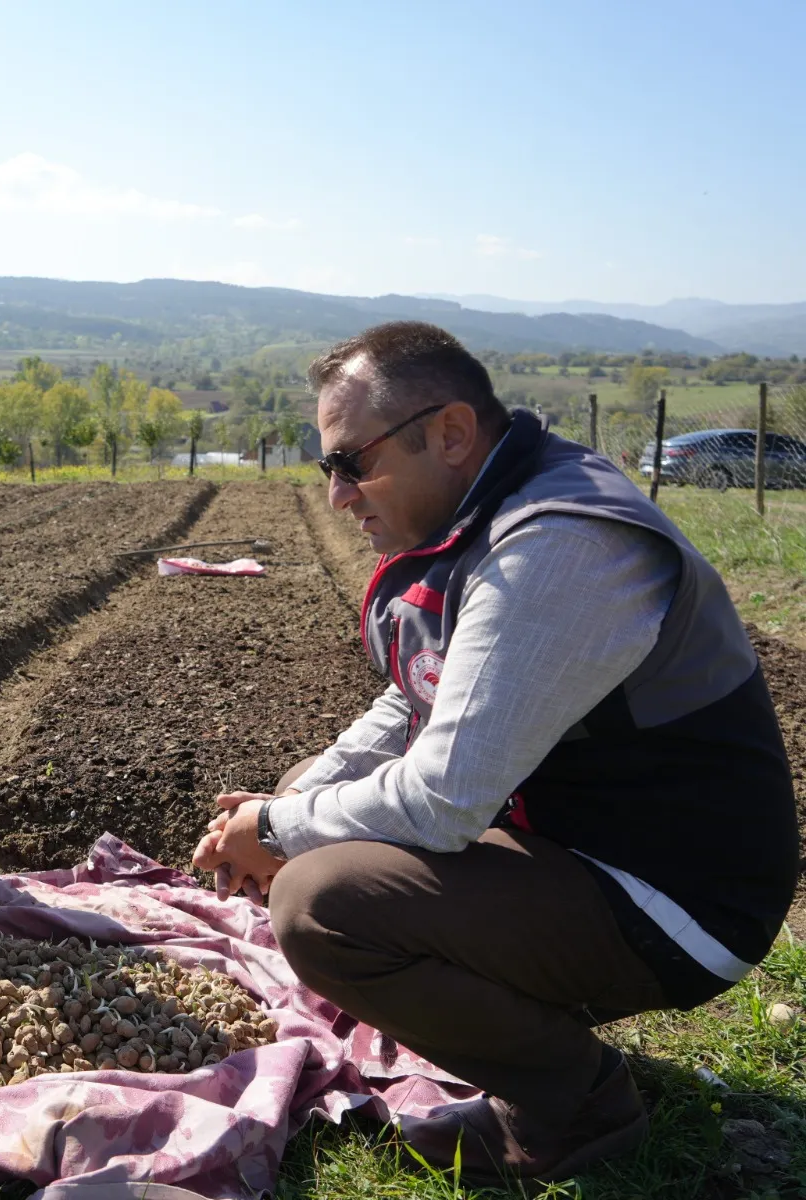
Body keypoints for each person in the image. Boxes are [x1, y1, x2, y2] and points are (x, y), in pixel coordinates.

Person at [193, 322, 797, 1182]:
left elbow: (444, 798)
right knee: (308, 804)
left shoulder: (557, 547)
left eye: (352, 461)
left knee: (321, 902)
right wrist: (283, 808)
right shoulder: (493, 510)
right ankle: (533, 1029)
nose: (338, 493)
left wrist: (281, 834)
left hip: (678, 902)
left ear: (450, 434)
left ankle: (576, 1106)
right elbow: (416, 697)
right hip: (594, 851)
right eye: (327, 466)